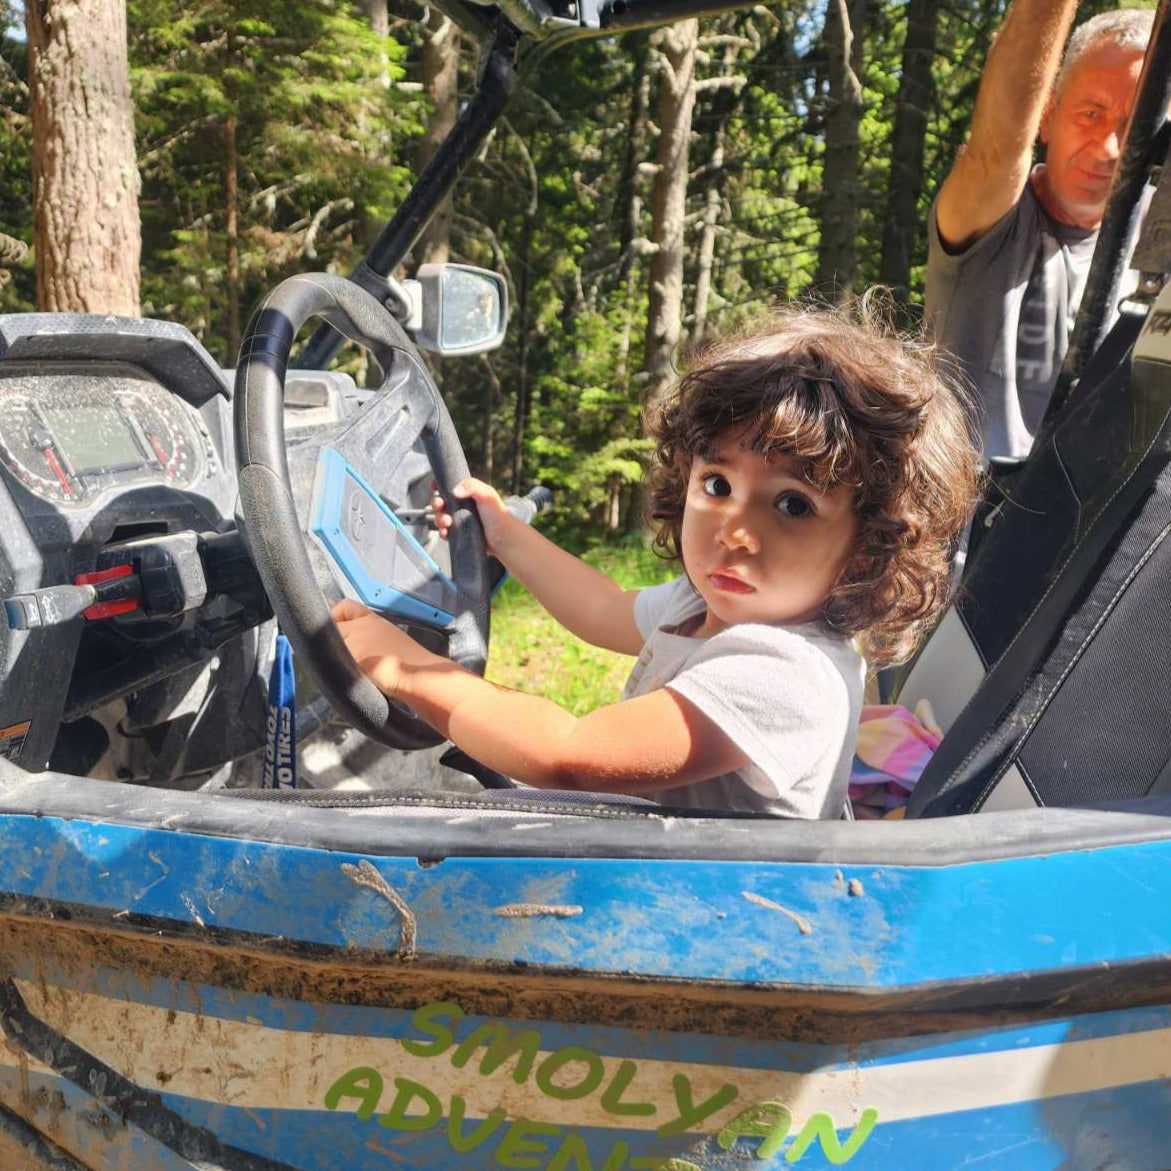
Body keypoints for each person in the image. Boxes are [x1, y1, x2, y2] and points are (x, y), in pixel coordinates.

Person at [334, 300, 980, 819]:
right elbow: (601, 608)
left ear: (867, 547)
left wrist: (408, 667)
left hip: (717, 936)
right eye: (718, 485)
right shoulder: (706, 602)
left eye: (790, 505)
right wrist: (503, 534)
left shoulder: (788, 672)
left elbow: (569, 755)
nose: (735, 530)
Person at [925, 1, 1153, 458]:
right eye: (1090, 114)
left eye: (1132, 127)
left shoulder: (1157, 239)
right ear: (1046, 115)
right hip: (967, 521)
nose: (1108, 147)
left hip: (1097, 523)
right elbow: (997, 147)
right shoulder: (996, 219)